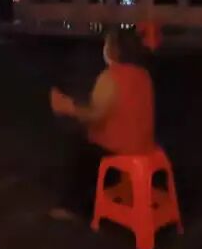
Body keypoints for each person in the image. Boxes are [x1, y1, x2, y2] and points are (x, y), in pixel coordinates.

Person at [48, 28, 156, 220]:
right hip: (144, 144)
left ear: (115, 50)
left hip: (121, 147)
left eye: (108, 44)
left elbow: (95, 115)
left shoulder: (111, 76)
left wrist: (67, 107)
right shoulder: (143, 74)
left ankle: (71, 206)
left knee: (78, 145)